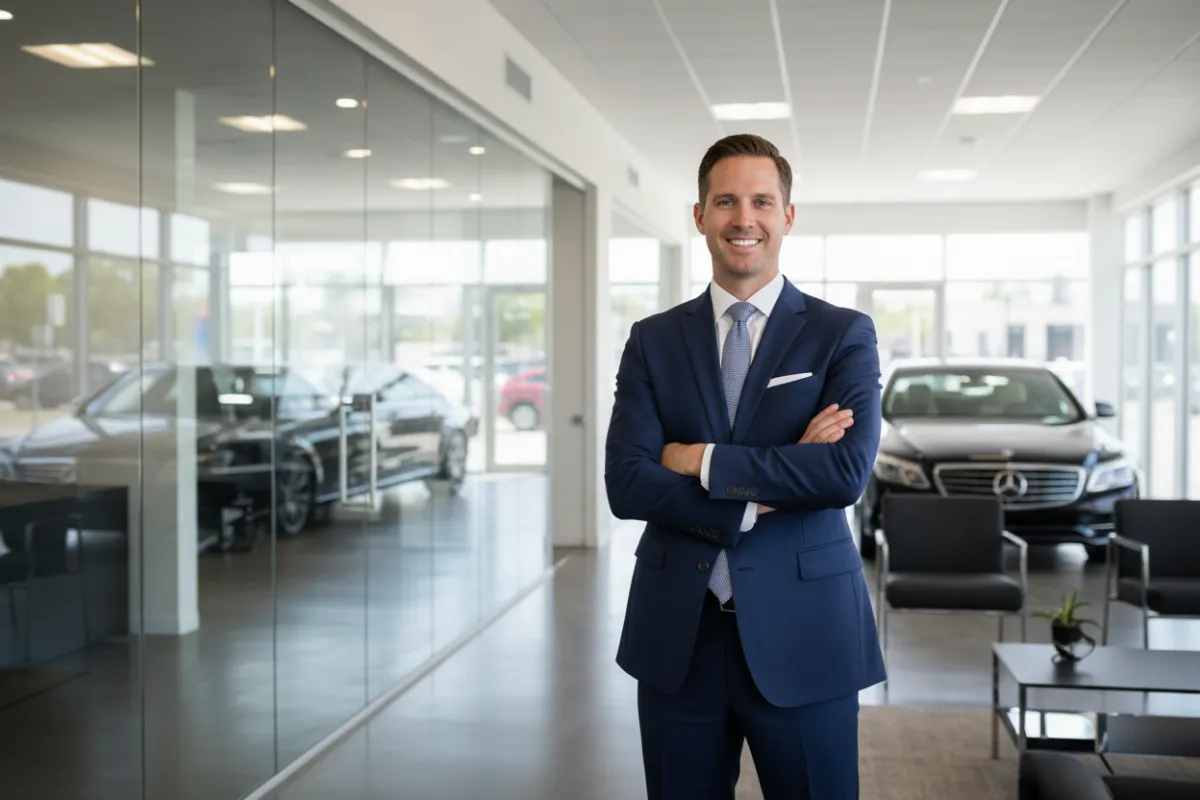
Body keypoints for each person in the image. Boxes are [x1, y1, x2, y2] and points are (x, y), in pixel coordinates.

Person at [605, 133, 887, 799]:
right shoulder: (653, 341)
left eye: (761, 200)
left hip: (806, 631)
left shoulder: (842, 333)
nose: (743, 218)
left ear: (787, 215)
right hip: (680, 635)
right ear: (699, 215)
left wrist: (697, 459)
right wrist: (756, 490)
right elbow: (626, 481)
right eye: (725, 200)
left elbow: (843, 473)